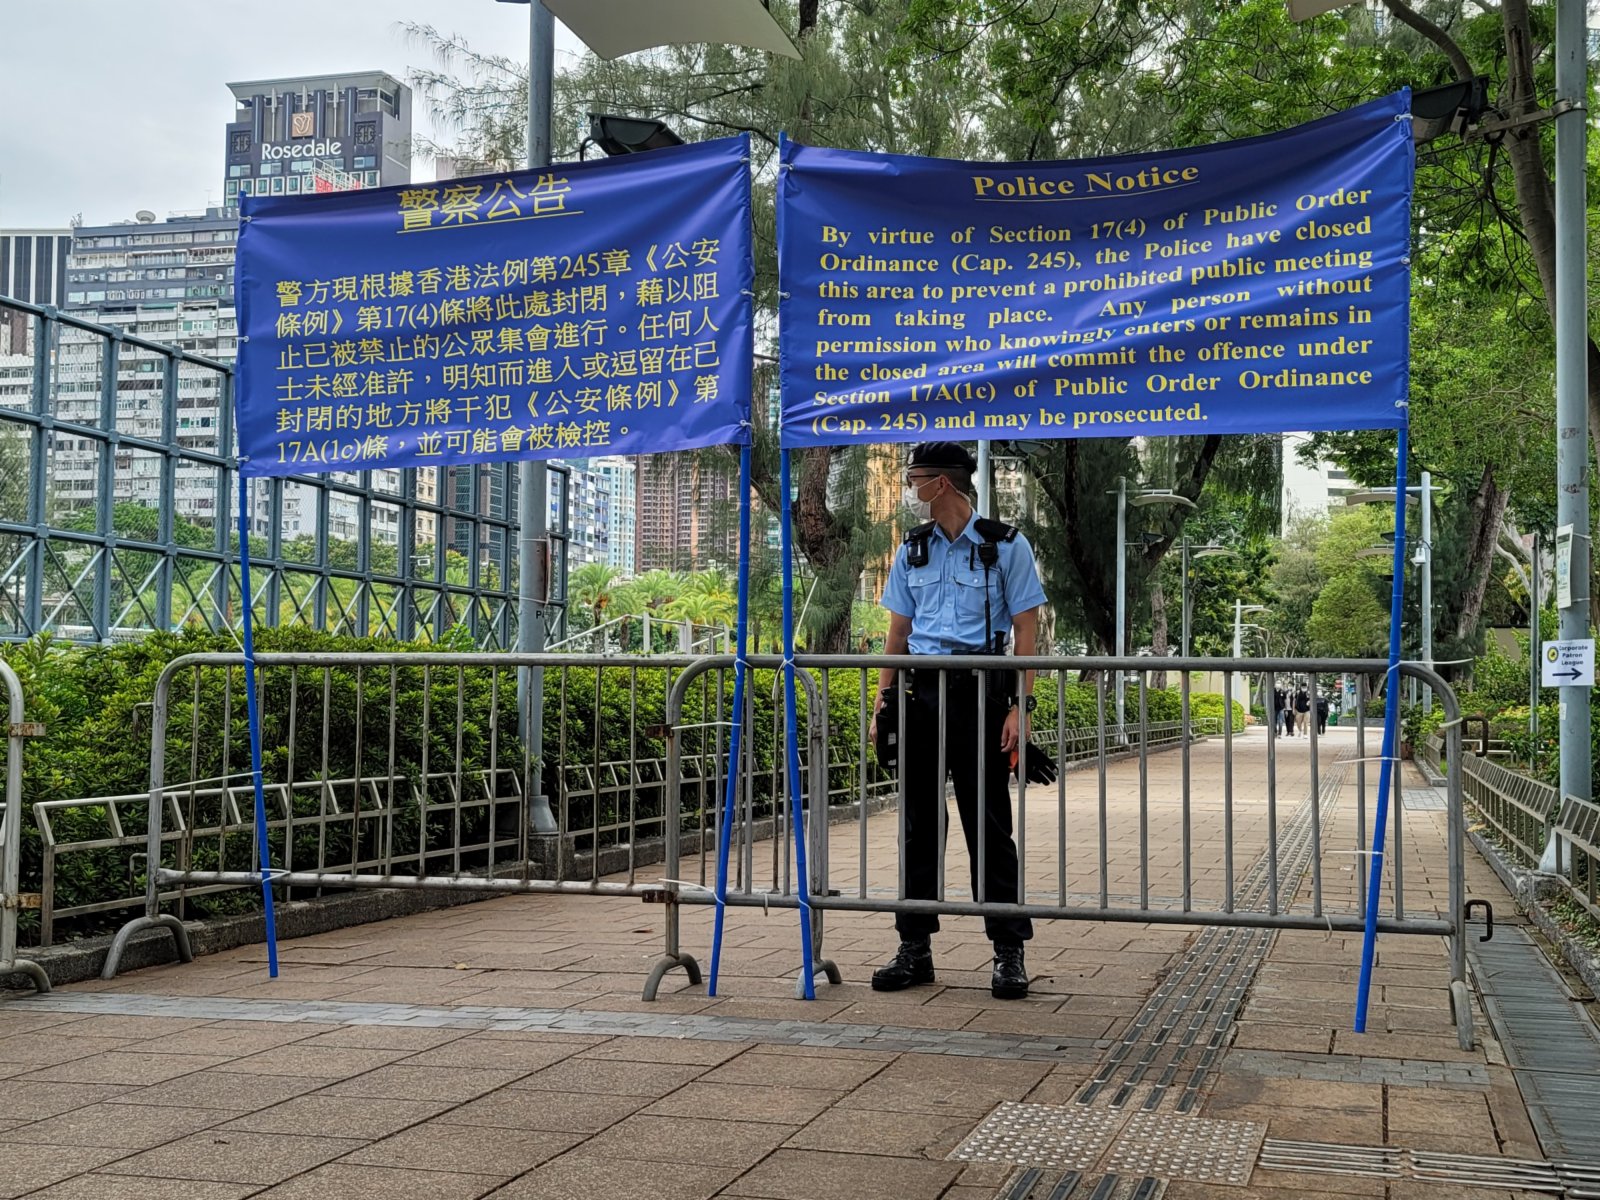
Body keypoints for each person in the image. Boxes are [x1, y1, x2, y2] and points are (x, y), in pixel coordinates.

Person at [869, 441, 1047, 1000]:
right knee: (919, 826)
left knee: (989, 826)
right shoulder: (913, 549)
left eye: (915, 480)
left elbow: (1027, 629)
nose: (910, 490)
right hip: (923, 696)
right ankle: (914, 948)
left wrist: (1020, 706)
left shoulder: (1006, 546)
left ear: (941, 484)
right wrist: (883, 701)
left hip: (981, 697)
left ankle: (1009, 952)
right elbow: (898, 633)